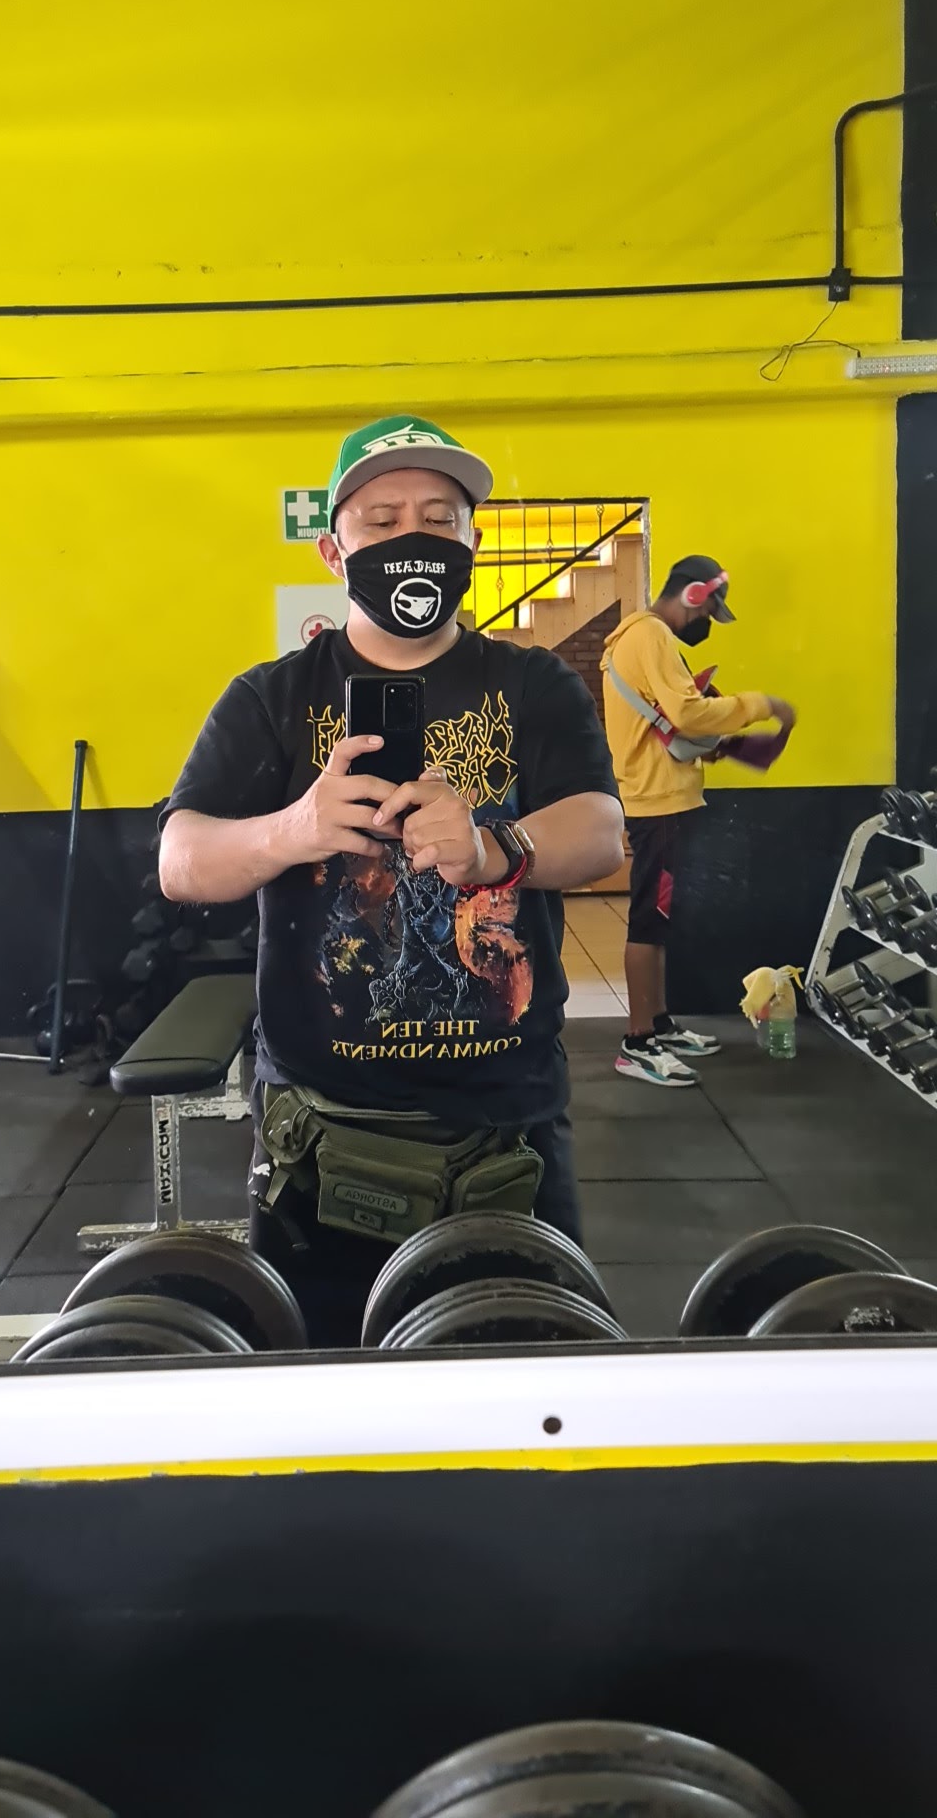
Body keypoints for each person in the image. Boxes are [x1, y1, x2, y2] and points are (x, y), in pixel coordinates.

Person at [159, 413, 624, 1342]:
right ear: (334, 551)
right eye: (382, 521)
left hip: (510, 1121)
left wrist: (495, 848)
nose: (414, 537)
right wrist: (295, 829)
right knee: (328, 1379)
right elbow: (181, 860)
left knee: (533, 1364)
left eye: (439, 519)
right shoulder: (272, 697)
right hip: (320, 1128)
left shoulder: (532, 685)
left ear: (472, 543)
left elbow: (601, 830)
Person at [600, 554, 795, 1090]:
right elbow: (686, 714)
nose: (708, 621)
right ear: (691, 595)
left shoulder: (640, 638)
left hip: (664, 796)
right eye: (708, 610)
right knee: (648, 919)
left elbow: (670, 718)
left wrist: (717, 736)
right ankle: (638, 1042)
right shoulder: (651, 636)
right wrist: (758, 704)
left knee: (659, 919)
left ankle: (658, 1024)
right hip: (657, 802)